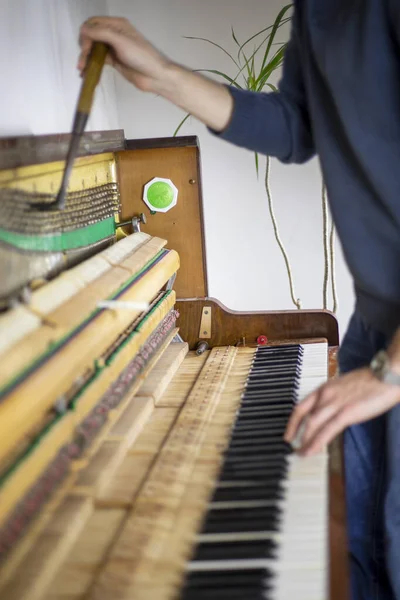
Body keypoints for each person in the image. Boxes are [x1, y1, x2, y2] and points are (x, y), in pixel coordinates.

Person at [78, 4, 400, 599]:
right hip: (379, 334)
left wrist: (391, 371)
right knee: (365, 559)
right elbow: (299, 124)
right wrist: (164, 75)